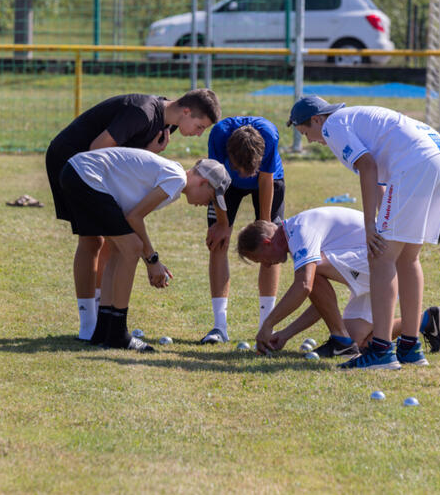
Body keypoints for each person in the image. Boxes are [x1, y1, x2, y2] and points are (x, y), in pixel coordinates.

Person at [287, 96, 440, 369]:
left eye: (306, 132)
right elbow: (377, 179)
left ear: (317, 119)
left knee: (381, 257)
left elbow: (367, 166)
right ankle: (410, 347)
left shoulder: (333, 126)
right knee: (407, 257)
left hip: (416, 162)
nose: (309, 140)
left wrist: (370, 226)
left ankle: (381, 351)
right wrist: (379, 219)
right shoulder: (354, 118)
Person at [46, 89, 221, 340]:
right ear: (185, 111)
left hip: (95, 173)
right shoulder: (142, 113)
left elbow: (130, 161)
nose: (198, 133)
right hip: (71, 159)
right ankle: (89, 325)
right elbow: (97, 149)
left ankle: (101, 324)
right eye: (199, 125)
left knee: (117, 243)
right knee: (93, 240)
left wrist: (149, 153)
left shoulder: (166, 126)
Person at [58, 147, 231, 352]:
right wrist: (152, 260)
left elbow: (129, 216)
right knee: (132, 248)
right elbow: (135, 218)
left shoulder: (172, 175)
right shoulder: (177, 179)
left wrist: (150, 258)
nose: (207, 204)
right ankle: (117, 334)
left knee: (118, 249)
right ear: (203, 183)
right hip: (85, 176)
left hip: (75, 172)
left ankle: (103, 330)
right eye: (211, 198)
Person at [237, 208, 440, 361]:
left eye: (260, 259)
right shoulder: (296, 236)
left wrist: (267, 324)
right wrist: (285, 334)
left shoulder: (299, 230)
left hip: (382, 264)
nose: (266, 265)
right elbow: (322, 304)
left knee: (310, 270)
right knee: (360, 342)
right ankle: (426, 321)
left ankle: (340, 342)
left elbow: (304, 286)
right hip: (379, 269)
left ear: (267, 243)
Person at [200, 116, 285, 344]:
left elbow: (265, 179)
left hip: (268, 182)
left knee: (271, 248)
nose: (246, 174)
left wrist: (266, 226)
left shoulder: (269, 134)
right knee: (218, 242)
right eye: (240, 168)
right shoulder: (218, 134)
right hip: (226, 184)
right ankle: (219, 327)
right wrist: (222, 224)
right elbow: (216, 180)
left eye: (250, 170)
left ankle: (266, 326)